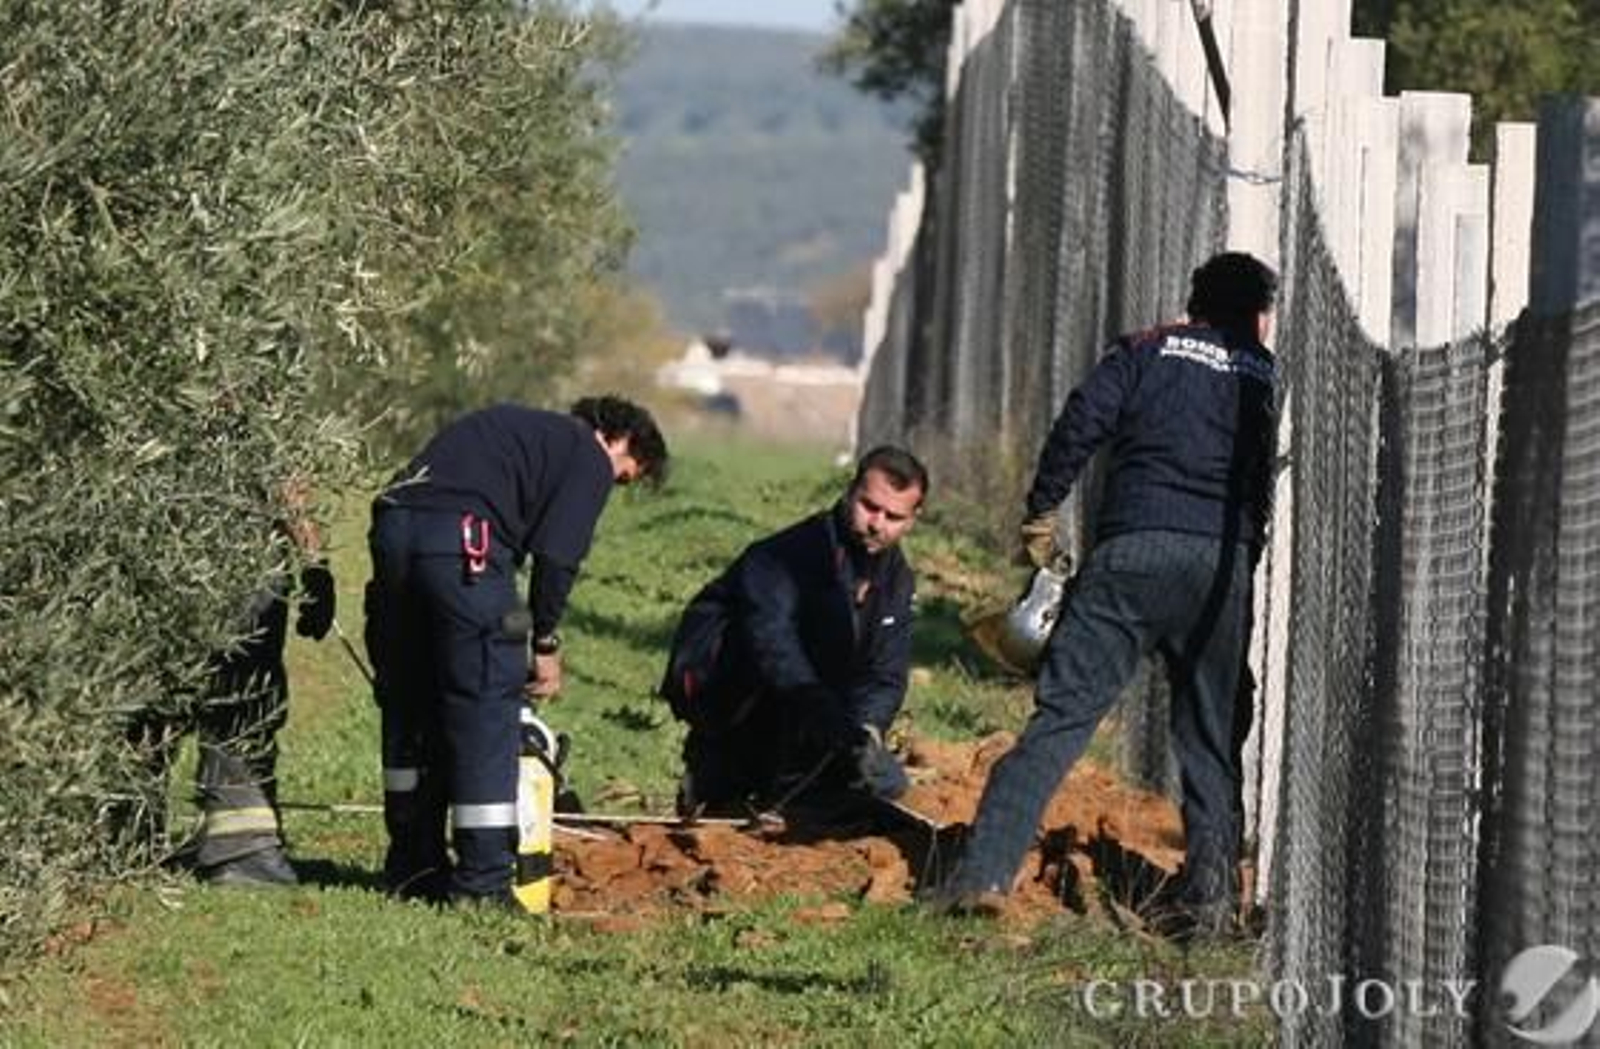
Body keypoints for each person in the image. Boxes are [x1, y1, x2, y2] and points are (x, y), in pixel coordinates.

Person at [927, 251, 1280, 936]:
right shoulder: (1264, 377)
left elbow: (1081, 422)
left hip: (1131, 553)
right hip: (1221, 568)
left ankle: (983, 873)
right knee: (1210, 741)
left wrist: (1040, 510)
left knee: (1061, 719)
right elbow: (1261, 480)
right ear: (1258, 318)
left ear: (1194, 302)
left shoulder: (1145, 349)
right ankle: (1210, 912)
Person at [365, 396, 667, 905]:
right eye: (623, 478)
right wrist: (545, 642)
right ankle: (483, 883)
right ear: (620, 440)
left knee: (413, 702)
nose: (610, 487)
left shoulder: (509, 426)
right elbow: (557, 557)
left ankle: (413, 867)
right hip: (464, 546)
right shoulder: (585, 452)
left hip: (395, 533)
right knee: (486, 706)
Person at [660, 446, 929, 819]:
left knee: (872, 786)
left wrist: (866, 731)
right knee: (727, 797)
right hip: (740, 693)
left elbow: (887, 672)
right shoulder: (790, 554)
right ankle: (711, 781)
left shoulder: (897, 581)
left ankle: (807, 781)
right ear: (850, 492)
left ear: (913, 519)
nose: (877, 523)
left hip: (823, 707)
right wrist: (827, 718)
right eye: (869, 506)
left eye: (893, 516)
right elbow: (772, 643)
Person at [191, 482, 336, 886]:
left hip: (167, 545)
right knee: (244, 700)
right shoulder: (246, 419)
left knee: (153, 700)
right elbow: (281, 472)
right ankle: (244, 853)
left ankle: (129, 836)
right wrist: (314, 561)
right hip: (235, 561)